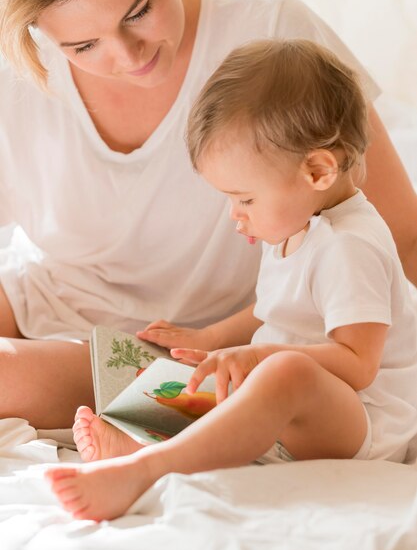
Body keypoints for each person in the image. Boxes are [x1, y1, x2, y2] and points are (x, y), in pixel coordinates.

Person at [0, 0, 416, 430]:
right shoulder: (15, 70)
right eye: (83, 46)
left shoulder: (274, 33)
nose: (129, 58)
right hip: (44, 300)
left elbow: (400, 236)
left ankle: (165, 417)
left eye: (137, 12)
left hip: (212, 341)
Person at [45, 39, 417, 522]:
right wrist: (211, 340)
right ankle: (138, 437)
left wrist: (259, 357)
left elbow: (358, 364)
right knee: (182, 378)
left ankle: (146, 469)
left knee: (284, 375)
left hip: (363, 419)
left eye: (244, 199)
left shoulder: (350, 246)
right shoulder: (299, 219)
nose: (235, 216)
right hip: (301, 405)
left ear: (318, 170)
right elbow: (274, 309)